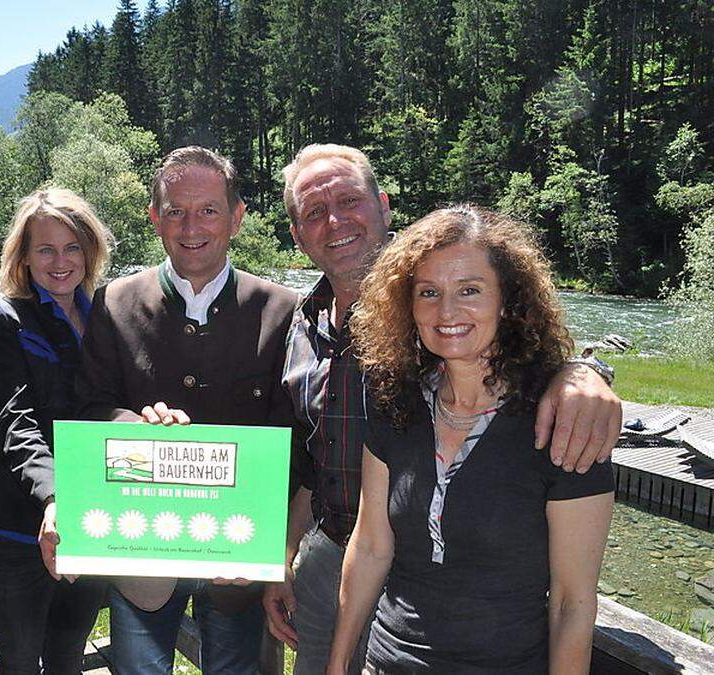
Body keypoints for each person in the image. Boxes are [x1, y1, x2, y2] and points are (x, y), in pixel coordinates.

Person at [264, 144, 622, 674]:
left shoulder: (441, 291)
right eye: (314, 212)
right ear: (296, 233)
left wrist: (585, 373)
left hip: (473, 615)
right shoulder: (298, 325)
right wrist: (281, 556)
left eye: (349, 200)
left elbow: (528, 355)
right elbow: (305, 459)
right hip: (338, 563)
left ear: (384, 206)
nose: (334, 220)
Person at [74, 146, 299, 674]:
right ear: (154, 219)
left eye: (208, 210)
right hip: (143, 556)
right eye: (175, 210)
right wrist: (137, 426)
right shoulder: (114, 303)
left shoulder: (283, 309)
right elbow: (90, 406)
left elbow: (292, 432)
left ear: (237, 216)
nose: (190, 225)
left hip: (238, 561)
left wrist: (273, 545)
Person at [0, 187, 112, 674]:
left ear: (89, 252)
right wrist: (53, 497)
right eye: (45, 248)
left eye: (72, 247)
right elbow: (12, 419)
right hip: (15, 524)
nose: (60, 261)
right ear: (24, 257)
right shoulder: (0, 318)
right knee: (19, 658)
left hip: (89, 516)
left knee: (70, 651)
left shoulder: (107, 315)